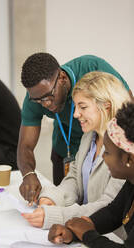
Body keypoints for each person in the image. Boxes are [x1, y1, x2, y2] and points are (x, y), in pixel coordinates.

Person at [21, 71, 131, 238]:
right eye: (75, 106)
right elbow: (74, 178)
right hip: (82, 229)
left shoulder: (123, 148)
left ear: (106, 106)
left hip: (111, 235)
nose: (75, 114)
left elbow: (109, 205)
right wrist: (53, 198)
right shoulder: (89, 136)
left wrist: (55, 215)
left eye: (83, 107)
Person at [18, 52, 133, 204]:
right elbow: (25, 146)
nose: (45, 104)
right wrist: (29, 174)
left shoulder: (93, 68)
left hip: (107, 149)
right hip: (71, 150)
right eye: (38, 100)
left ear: (62, 78)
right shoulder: (37, 96)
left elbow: (127, 110)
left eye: (49, 96)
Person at [48, 102, 134, 248]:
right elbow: (114, 213)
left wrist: (87, 234)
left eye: (107, 152)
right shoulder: (131, 182)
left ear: (129, 159)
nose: (103, 157)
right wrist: (75, 231)